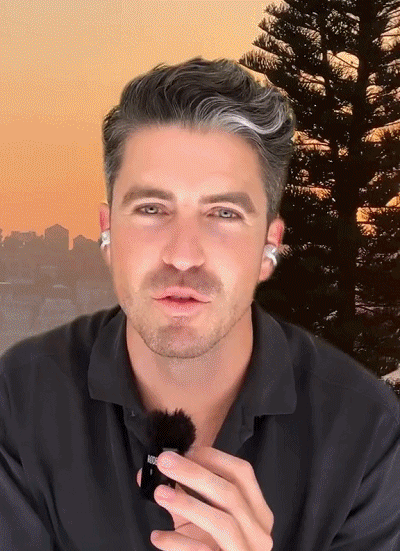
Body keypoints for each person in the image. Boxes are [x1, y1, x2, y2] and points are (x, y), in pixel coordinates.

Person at [0, 57, 399, 551]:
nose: (183, 255)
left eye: (223, 213)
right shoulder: (17, 400)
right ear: (108, 232)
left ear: (269, 247)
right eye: (151, 208)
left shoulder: (368, 432)